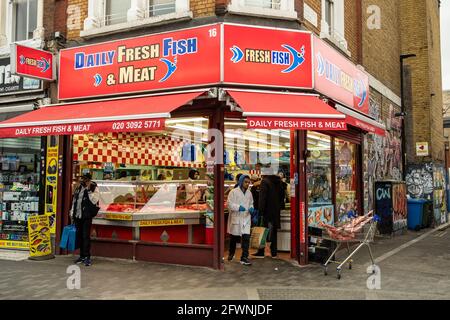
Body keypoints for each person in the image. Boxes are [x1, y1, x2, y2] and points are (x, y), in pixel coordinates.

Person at [70, 173, 100, 266]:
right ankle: (82, 256)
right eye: (83, 179)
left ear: (89, 180)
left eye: (85, 180)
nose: (84, 181)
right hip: (77, 215)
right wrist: (71, 212)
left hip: (86, 216)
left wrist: (88, 189)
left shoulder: (93, 187)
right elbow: (75, 200)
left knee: (85, 236)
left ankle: (87, 257)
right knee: (79, 236)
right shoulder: (79, 187)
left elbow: (94, 200)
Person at [252, 170, 284, 259]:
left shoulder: (265, 182)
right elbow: (282, 196)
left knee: (263, 231)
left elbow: (262, 198)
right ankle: (274, 252)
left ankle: (261, 252)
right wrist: (280, 207)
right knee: (273, 232)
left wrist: (260, 211)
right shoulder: (279, 182)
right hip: (275, 211)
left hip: (266, 211)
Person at [227, 174, 254, 266]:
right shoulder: (233, 192)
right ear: (241, 181)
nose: (247, 184)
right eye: (245, 182)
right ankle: (231, 252)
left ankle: (244, 257)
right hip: (236, 217)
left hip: (246, 218)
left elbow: (251, 203)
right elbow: (229, 204)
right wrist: (238, 207)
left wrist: (251, 208)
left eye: (248, 182)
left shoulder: (249, 193)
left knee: (246, 238)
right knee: (234, 237)